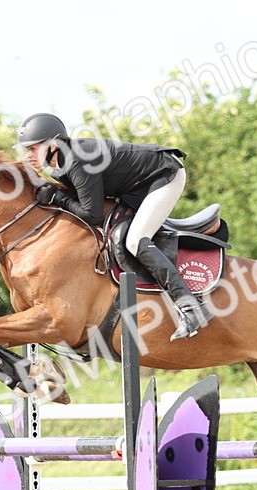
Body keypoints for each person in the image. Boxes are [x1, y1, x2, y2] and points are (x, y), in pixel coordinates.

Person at [17, 113, 212, 341]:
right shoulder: (61, 163)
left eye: (32, 148)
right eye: (26, 149)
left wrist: (58, 198)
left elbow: (91, 214)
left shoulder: (78, 161)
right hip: (136, 187)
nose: (28, 155)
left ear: (53, 144)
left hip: (164, 175)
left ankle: (190, 307)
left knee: (135, 240)